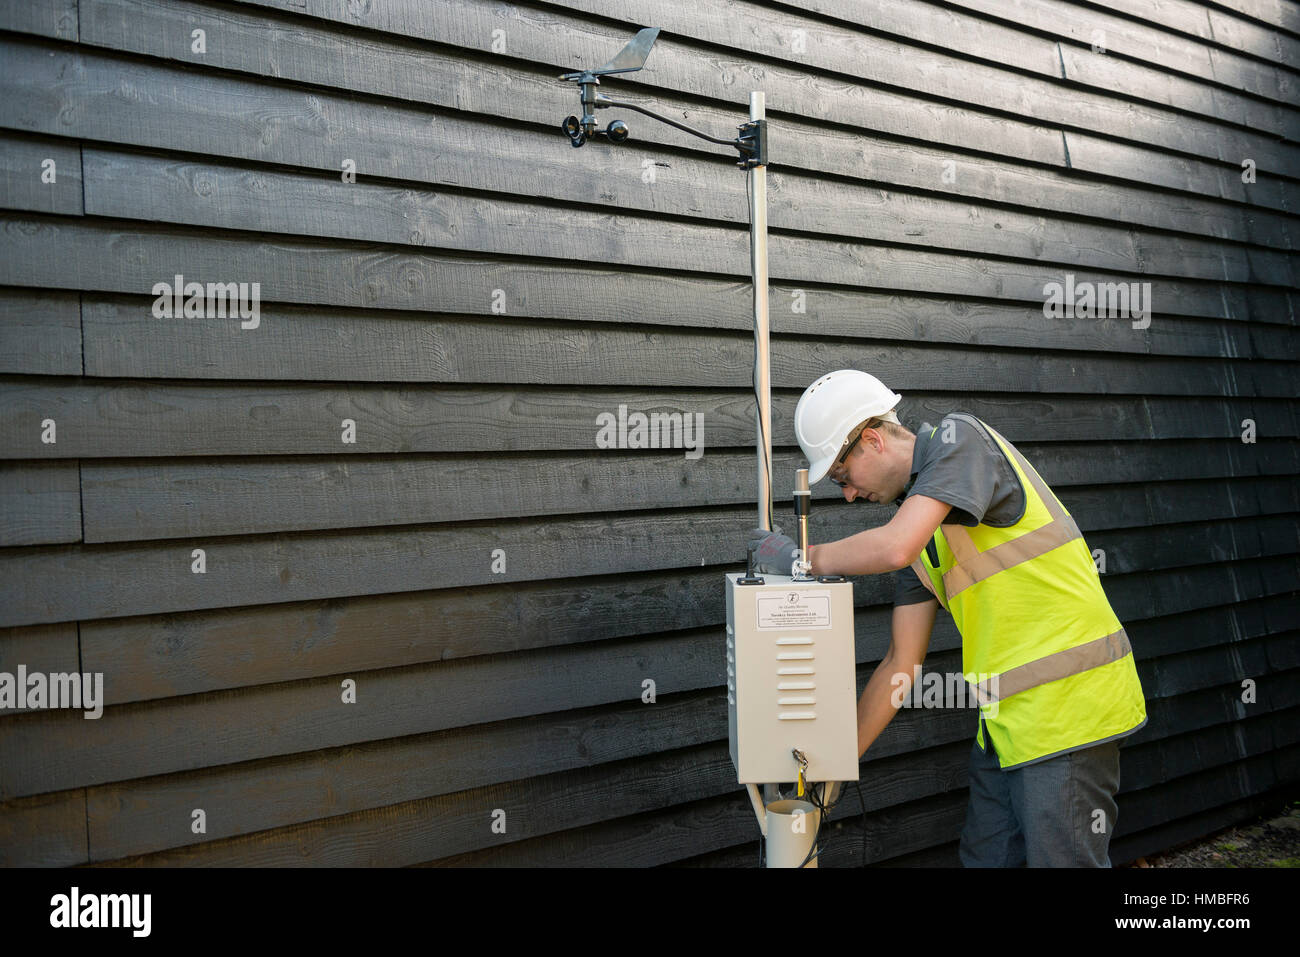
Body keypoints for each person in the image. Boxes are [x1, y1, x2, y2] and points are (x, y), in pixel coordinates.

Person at [749, 369, 1147, 867]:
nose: (848, 495)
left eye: (844, 478)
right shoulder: (925, 538)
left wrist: (801, 558)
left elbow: (894, 546)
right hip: (1006, 728)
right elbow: (900, 664)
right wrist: (836, 764)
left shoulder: (963, 440)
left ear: (872, 440)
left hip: (1069, 714)